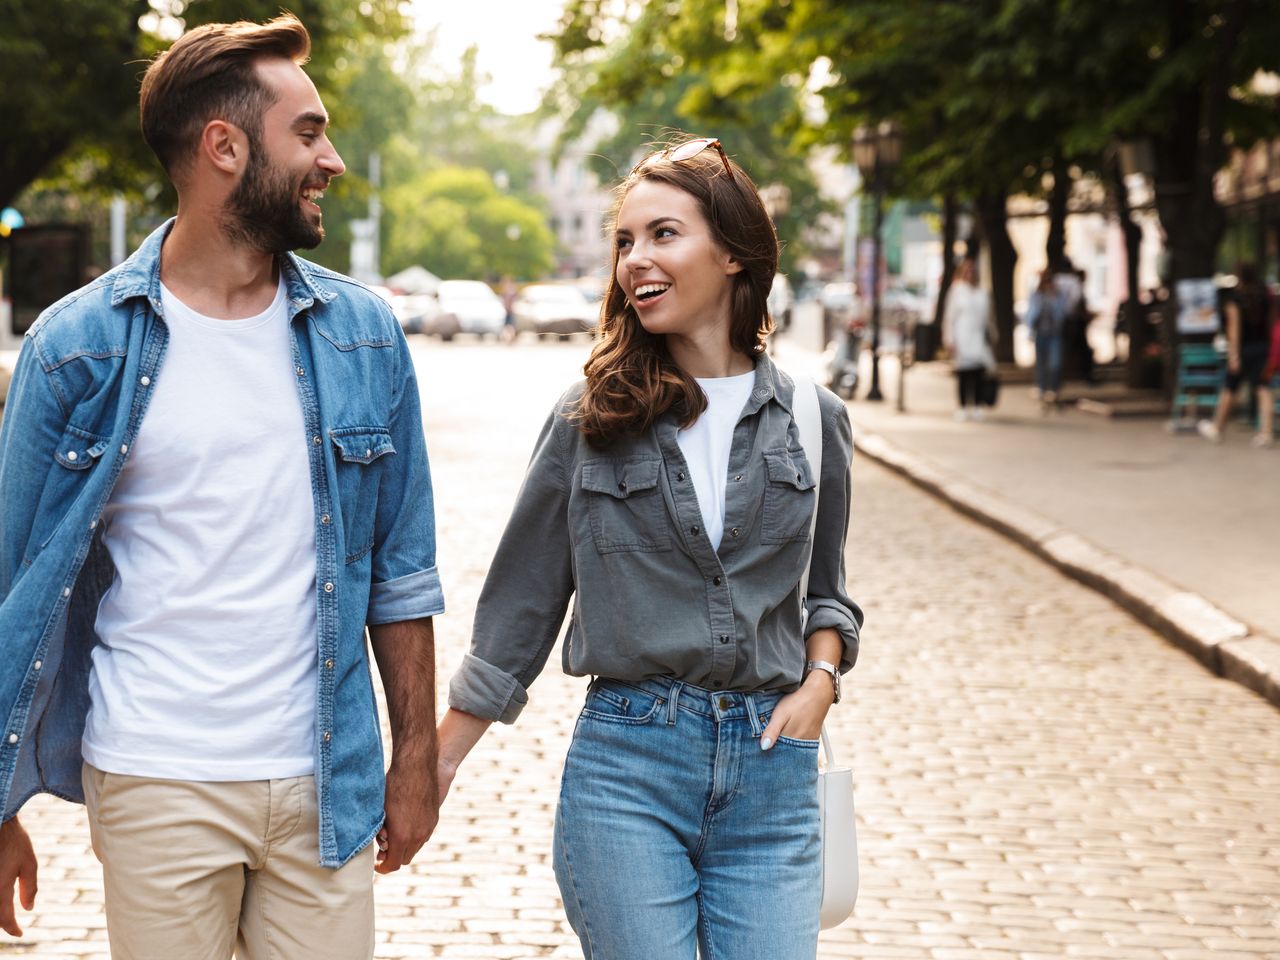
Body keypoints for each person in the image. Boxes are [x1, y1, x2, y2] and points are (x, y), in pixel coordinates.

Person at [0, 15, 445, 959]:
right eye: (310, 132)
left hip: (325, 781)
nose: (332, 159)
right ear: (225, 147)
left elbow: (403, 570)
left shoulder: (366, 336)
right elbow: (11, 580)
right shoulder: (75, 347)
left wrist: (414, 763)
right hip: (156, 773)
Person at [437, 136, 862, 959]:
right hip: (628, 771)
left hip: (773, 780)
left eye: (663, 234)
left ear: (735, 253)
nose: (636, 260)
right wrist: (437, 763)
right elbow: (522, 607)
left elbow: (827, 596)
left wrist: (821, 682)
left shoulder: (816, 420)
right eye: (625, 242)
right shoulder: (589, 419)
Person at [1199, 262, 1274, 446]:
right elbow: (1271, 323)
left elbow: (1234, 329)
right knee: (1263, 388)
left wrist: (1233, 355)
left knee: (1230, 387)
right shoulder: (1264, 295)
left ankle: (1218, 428)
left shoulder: (1235, 298)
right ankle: (1266, 432)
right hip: (1263, 347)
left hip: (1243, 349)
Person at [942, 257, 994, 420]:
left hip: (978, 337)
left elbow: (989, 318)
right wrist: (949, 339)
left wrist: (992, 336)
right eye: (967, 271)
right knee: (964, 374)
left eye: (972, 271)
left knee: (978, 373)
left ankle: (978, 405)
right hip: (962, 336)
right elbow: (949, 317)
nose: (970, 274)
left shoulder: (982, 292)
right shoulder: (956, 291)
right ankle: (963, 406)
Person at [1024, 271, 1067, 412]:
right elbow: (1030, 315)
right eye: (1046, 281)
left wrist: (1054, 299)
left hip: (1054, 334)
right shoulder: (1036, 296)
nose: (1048, 285)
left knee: (1055, 363)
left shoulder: (1058, 297)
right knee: (1041, 365)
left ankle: (1054, 391)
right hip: (1040, 334)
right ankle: (1043, 393)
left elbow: (1061, 315)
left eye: (1050, 281)